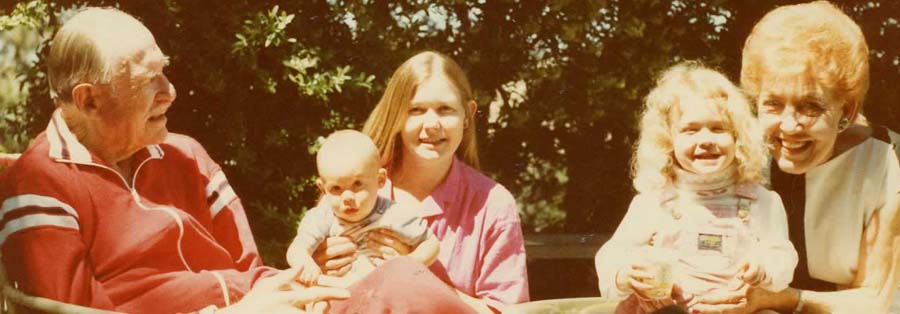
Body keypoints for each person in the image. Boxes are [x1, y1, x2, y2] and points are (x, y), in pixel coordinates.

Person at [0, 7, 348, 313]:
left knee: (389, 282)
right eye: (149, 80)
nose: (170, 92)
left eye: (164, 72)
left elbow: (251, 272)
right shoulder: (41, 182)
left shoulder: (188, 156)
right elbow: (72, 312)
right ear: (90, 100)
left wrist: (307, 281)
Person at [690, 2, 900, 313]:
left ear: (847, 110)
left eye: (810, 107)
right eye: (773, 104)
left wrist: (787, 300)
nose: (789, 127)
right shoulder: (740, 153)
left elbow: (878, 301)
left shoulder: (888, 164)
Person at [310, 51, 530, 312]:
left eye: (445, 109)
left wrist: (414, 276)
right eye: (416, 110)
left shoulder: (493, 204)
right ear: (397, 116)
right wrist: (317, 264)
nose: (431, 124)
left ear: (468, 114)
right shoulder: (352, 187)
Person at [594, 62, 797, 313]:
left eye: (718, 129)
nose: (705, 140)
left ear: (738, 137)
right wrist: (625, 274)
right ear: (668, 141)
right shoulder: (654, 202)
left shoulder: (762, 202)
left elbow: (782, 255)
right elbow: (613, 252)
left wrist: (763, 267)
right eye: (690, 130)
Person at [285, 130, 439, 312]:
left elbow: (431, 244)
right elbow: (296, 250)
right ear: (322, 188)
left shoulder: (392, 214)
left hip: (381, 292)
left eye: (358, 185)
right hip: (333, 289)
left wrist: (411, 263)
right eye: (336, 188)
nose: (348, 196)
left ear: (380, 180)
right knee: (312, 303)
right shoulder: (322, 216)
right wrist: (305, 263)